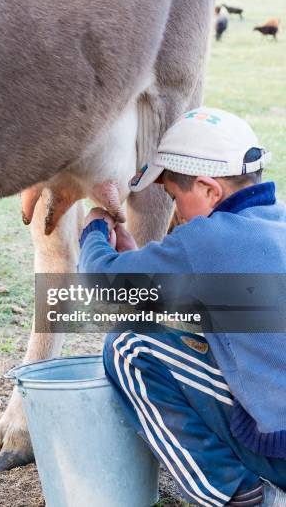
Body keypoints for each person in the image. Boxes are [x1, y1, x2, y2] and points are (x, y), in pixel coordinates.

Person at [78, 107, 286, 506]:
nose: (176, 213)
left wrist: (94, 232)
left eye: (175, 197)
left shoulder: (210, 239)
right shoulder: (272, 223)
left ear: (210, 190)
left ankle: (241, 497)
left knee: (129, 347)